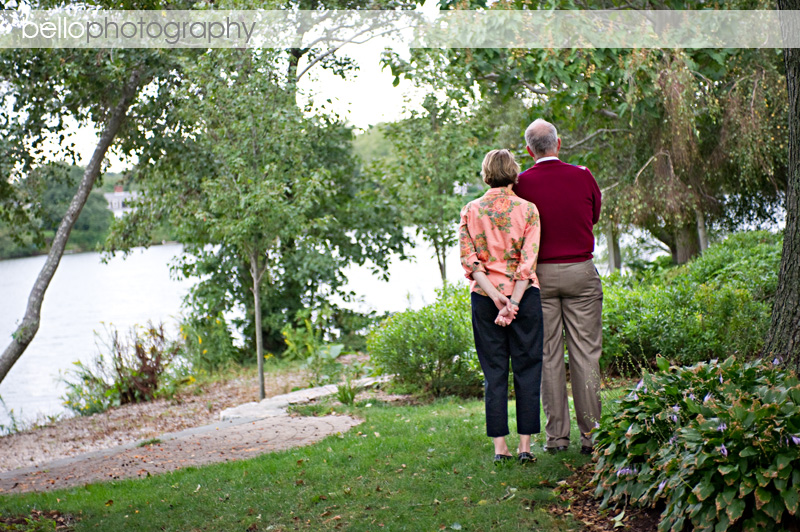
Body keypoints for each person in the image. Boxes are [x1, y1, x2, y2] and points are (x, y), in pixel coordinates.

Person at [514, 118, 603, 456]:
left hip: (539, 276)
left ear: (529, 150)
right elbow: (593, 216)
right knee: (586, 354)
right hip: (580, 271)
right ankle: (592, 435)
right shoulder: (583, 176)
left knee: (548, 355)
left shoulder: (521, 184)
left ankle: (557, 438)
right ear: (558, 143)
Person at [459, 148, 543, 464]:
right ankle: (525, 447)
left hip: (485, 299)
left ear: (486, 174)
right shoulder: (529, 210)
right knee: (528, 368)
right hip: (525, 298)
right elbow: (527, 262)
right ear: (514, 173)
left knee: (494, 371)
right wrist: (514, 302)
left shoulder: (470, 210)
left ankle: (500, 449)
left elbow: (470, 261)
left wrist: (496, 297)